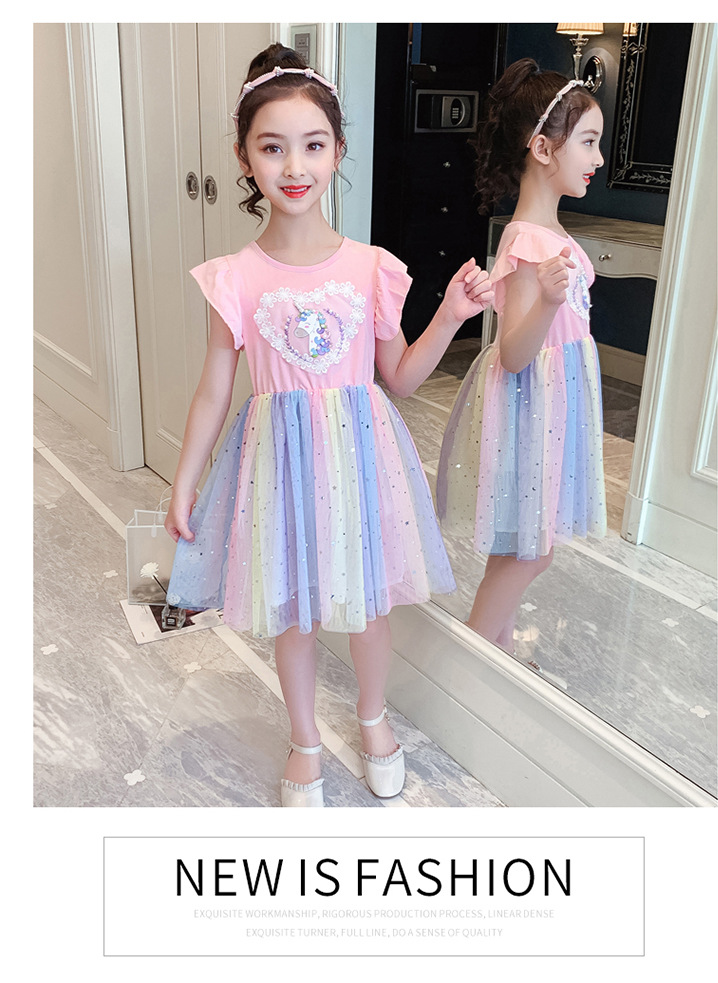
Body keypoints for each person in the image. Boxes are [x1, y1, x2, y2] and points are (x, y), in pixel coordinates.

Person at [164, 44, 493, 807]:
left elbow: (399, 375)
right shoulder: (234, 278)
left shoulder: (370, 267)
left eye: (313, 145)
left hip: (359, 460)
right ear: (244, 158)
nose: (294, 166)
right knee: (296, 608)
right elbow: (214, 391)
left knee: (367, 603)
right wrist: (185, 482)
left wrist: (451, 314)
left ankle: (373, 718)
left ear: (339, 150)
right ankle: (305, 738)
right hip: (278, 465)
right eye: (272, 147)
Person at [437, 58, 607, 656]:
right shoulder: (530, 240)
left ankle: (497, 657)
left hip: (549, 404)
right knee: (531, 552)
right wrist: (550, 302)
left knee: (521, 547)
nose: (598, 157)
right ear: (542, 147)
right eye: (588, 141)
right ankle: (471, 662)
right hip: (534, 403)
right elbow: (512, 352)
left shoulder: (544, 233)